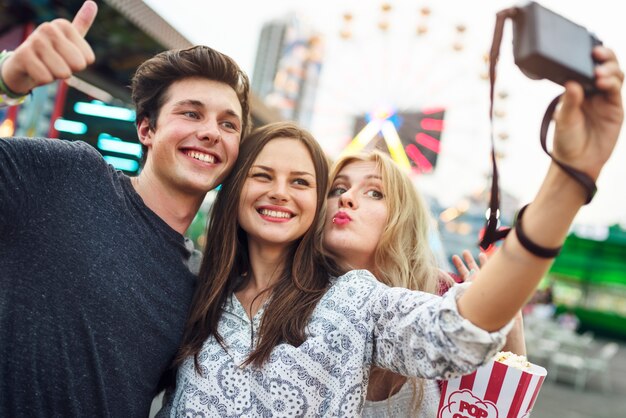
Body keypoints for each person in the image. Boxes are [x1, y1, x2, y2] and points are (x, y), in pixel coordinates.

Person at [160, 42, 622, 413]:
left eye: (302, 181)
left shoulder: (354, 300)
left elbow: (459, 333)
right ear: (235, 188)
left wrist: (570, 178)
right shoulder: (201, 291)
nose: (281, 192)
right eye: (263, 176)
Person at [0, 1, 251, 416]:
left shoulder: (205, 287)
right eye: (191, 113)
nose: (210, 132)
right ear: (146, 128)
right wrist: (10, 78)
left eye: (229, 124)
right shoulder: (70, 175)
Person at [323, 150, 526, 417]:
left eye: (374, 193)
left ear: (402, 220)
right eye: (338, 188)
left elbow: (498, 405)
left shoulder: (442, 297)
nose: (346, 198)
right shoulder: (288, 298)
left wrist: (505, 314)